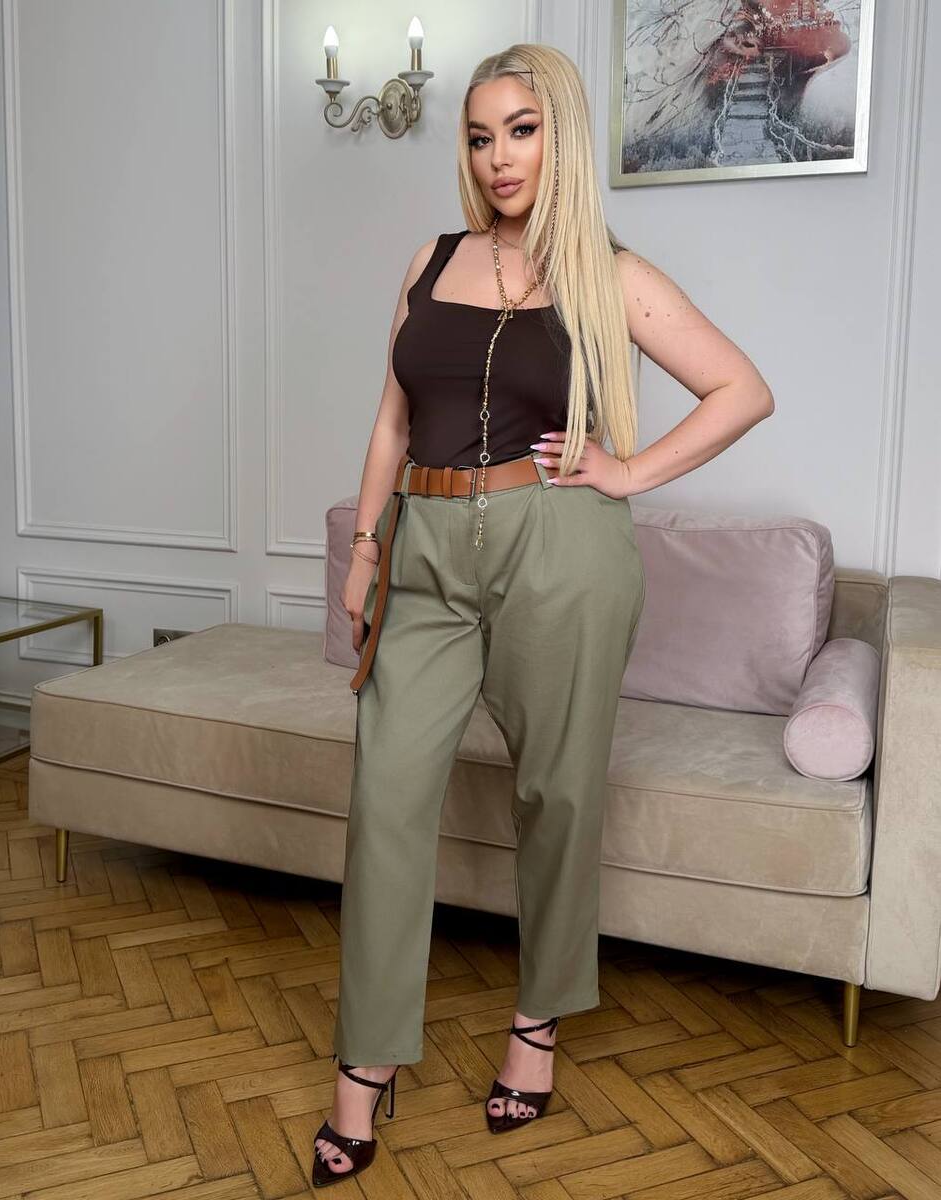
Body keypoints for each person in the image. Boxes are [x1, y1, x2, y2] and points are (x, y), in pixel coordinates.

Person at [311, 42, 774, 1187]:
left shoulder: (606, 274)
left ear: (556, 135)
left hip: (557, 548)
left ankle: (536, 1026)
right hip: (423, 544)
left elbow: (740, 389)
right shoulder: (431, 259)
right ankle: (367, 1061)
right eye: (479, 135)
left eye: (519, 130)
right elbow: (389, 419)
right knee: (385, 802)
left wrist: (626, 470)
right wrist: (363, 548)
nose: (498, 156)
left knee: (556, 796)